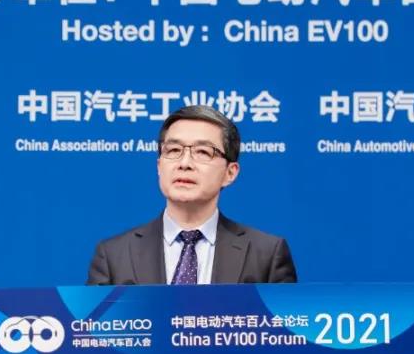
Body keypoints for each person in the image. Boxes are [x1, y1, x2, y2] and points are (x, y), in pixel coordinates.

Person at [86, 105, 297, 285]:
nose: (184, 163)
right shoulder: (113, 255)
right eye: (173, 150)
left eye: (203, 152)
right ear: (159, 166)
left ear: (230, 173)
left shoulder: (266, 254)